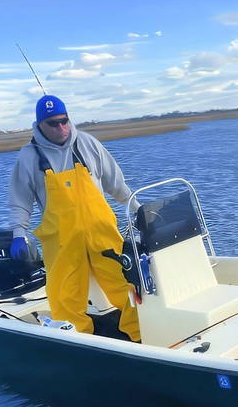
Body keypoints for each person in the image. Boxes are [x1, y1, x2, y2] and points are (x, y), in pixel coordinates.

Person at [9, 94, 140, 342]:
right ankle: (78, 342)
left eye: (64, 121)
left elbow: (117, 185)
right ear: (40, 125)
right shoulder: (29, 157)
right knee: (65, 296)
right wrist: (18, 234)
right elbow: (19, 201)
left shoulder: (88, 144)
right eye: (53, 123)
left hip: (102, 233)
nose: (61, 127)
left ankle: (139, 335)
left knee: (126, 285)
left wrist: (139, 208)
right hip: (61, 241)